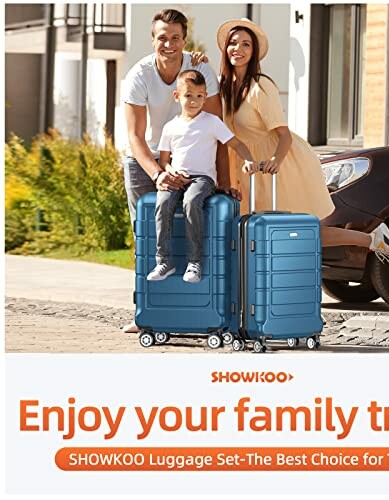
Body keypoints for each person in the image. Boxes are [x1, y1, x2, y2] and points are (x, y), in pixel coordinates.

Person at [216, 18, 389, 265]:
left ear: (254, 52)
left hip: (277, 167)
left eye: (246, 45)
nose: (237, 49)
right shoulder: (223, 86)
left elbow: (282, 133)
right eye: (233, 43)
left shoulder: (260, 86)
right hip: (245, 168)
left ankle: (371, 240)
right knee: (248, 232)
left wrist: (275, 161)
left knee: (295, 232)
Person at [121, 8, 237, 333]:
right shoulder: (139, 75)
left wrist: (224, 181)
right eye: (162, 38)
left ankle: (192, 307)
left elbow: (217, 132)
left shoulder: (200, 70)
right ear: (152, 39)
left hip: (194, 165)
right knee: (144, 231)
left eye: (175, 38)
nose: (168, 44)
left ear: (184, 40)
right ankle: (145, 312)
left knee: (191, 217)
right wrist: (159, 173)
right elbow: (134, 135)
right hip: (145, 160)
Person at [147, 70, 256, 283]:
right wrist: (170, 172)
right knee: (162, 203)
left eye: (199, 96)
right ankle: (164, 261)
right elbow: (164, 161)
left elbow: (236, 144)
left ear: (205, 97)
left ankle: (194, 262)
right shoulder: (171, 127)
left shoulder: (212, 122)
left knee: (192, 201)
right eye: (188, 95)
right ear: (177, 97)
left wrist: (249, 159)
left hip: (202, 179)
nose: (194, 101)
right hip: (177, 178)